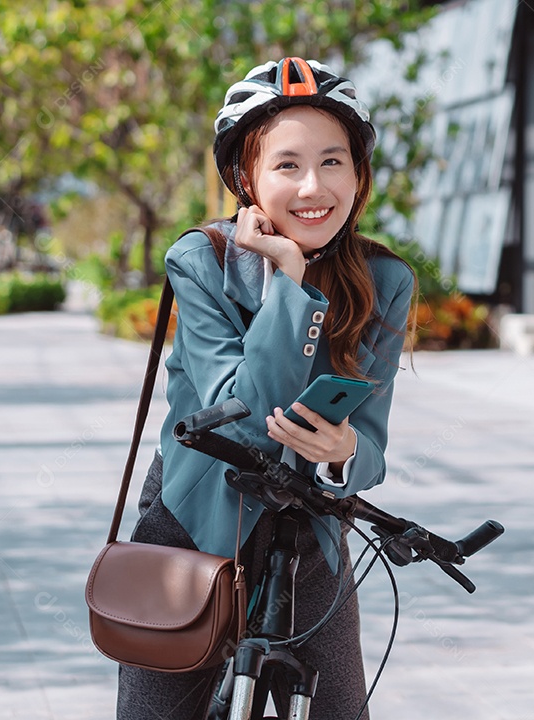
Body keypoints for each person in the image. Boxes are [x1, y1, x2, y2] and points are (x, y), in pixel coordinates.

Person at [116, 57, 415, 720]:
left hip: (310, 540)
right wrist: (289, 280)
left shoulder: (385, 280)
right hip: (192, 529)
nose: (315, 186)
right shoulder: (203, 260)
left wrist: (341, 452)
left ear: (359, 174)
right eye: (288, 165)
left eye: (334, 161)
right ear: (245, 177)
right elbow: (242, 418)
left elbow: (371, 443)